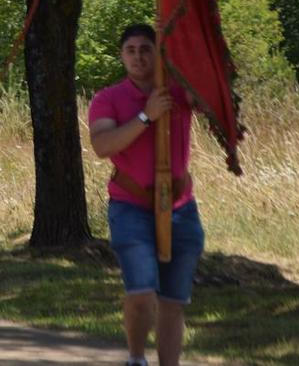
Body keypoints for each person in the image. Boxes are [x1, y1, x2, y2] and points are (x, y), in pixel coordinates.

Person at [88, 23, 206, 366]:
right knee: (141, 294)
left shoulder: (177, 92)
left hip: (180, 206)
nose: (138, 56)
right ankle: (136, 358)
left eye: (146, 49)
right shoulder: (107, 99)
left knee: (173, 300)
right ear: (122, 56)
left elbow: (211, 98)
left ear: (158, 53)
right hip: (131, 206)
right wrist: (146, 116)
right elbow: (102, 145)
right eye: (131, 50)